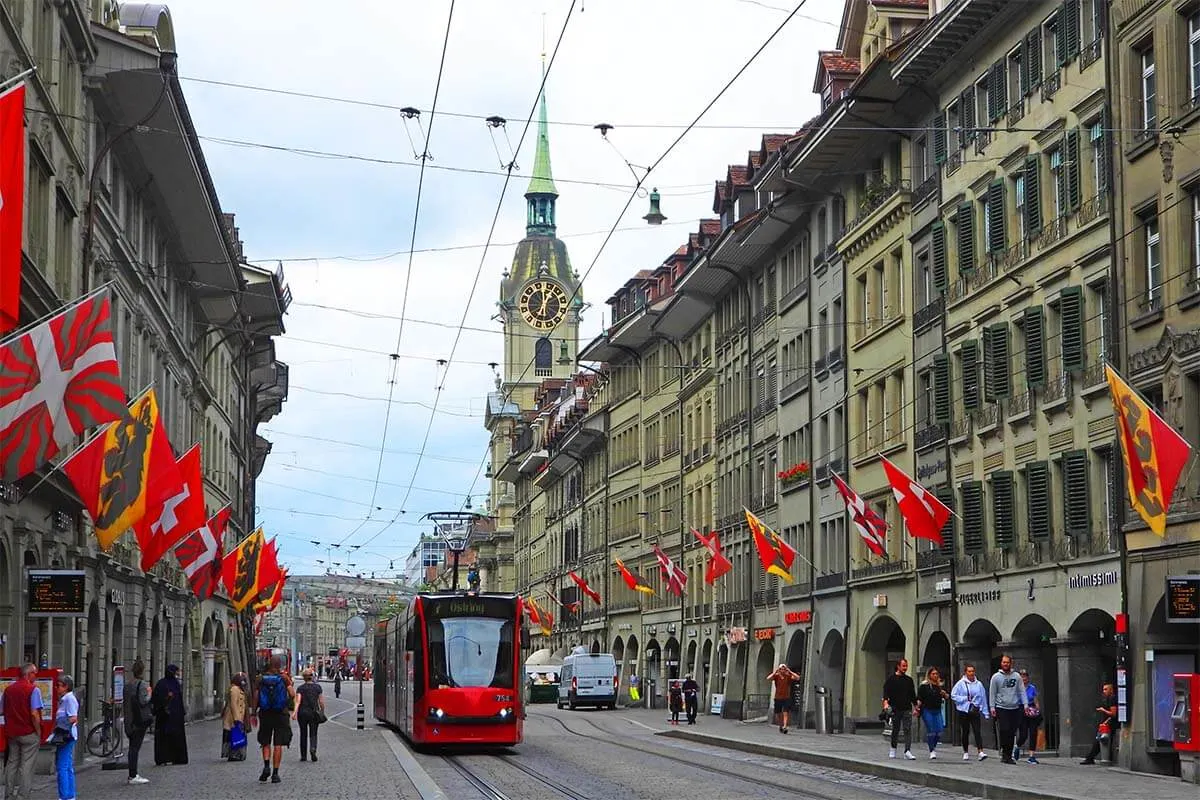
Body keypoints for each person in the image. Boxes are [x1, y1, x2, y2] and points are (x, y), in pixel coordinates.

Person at [2, 662, 44, 800]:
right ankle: (22, 796)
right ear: (28, 674)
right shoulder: (33, 690)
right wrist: (38, 732)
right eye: (34, 673)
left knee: (12, 762)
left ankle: (8, 794)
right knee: (27, 764)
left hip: (12, 733)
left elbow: (2, 710)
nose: (36, 676)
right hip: (28, 732)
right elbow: (34, 713)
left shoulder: (8, 690)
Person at [253, 656, 296, 784]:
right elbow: (293, 694)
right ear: (279, 665)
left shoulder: (260, 679)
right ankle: (276, 774)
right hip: (280, 714)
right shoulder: (283, 678)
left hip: (265, 713)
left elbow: (255, 695)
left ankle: (266, 766)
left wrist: (253, 712)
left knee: (265, 741)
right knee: (278, 744)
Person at [988, 654, 1029, 764]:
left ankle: (1008, 755)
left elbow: (1021, 691)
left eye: (1007, 662)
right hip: (1001, 707)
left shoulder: (1017, 676)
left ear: (1011, 663)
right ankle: (1004, 752)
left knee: (1012, 732)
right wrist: (992, 707)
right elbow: (992, 693)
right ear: (1001, 663)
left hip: (1014, 707)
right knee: (1004, 730)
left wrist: (1025, 705)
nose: (1006, 664)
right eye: (1004, 662)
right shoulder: (996, 677)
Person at [950, 663, 990, 761]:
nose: (971, 673)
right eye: (969, 671)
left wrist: (985, 711)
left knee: (977, 731)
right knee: (965, 731)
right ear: (965, 672)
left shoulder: (979, 684)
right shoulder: (960, 683)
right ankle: (965, 751)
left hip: (975, 709)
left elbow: (983, 697)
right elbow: (953, 695)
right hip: (963, 710)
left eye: (972, 671)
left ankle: (980, 751)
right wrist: (964, 699)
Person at [151, 664, 189, 765]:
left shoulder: (175, 684)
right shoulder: (162, 684)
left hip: (175, 717)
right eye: (177, 672)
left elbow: (179, 700)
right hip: (165, 717)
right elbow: (156, 699)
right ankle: (164, 758)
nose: (178, 674)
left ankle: (176, 758)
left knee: (173, 738)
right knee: (165, 738)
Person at [123, 659, 153, 784]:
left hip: (129, 720)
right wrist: (150, 694)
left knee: (132, 747)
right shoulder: (142, 685)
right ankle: (133, 775)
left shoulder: (127, 685)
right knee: (135, 748)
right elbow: (143, 701)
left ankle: (132, 774)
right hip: (139, 721)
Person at [882, 658, 918, 759]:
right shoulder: (891, 679)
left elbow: (912, 695)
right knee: (896, 729)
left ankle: (907, 751)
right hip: (895, 708)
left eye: (906, 666)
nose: (905, 668)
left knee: (907, 729)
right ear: (898, 666)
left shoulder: (909, 680)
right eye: (903, 666)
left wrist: (916, 706)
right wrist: (885, 703)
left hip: (907, 708)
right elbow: (886, 692)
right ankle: (893, 748)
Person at [53, 674, 79, 800]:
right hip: (68, 735)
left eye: (58, 685)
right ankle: (69, 794)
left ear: (66, 687)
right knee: (67, 766)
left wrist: (61, 725)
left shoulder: (69, 699)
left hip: (65, 735)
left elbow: (73, 717)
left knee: (62, 766)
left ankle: (64, 795)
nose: (56, 687)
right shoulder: (65, 699)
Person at [1080, 683, 1118, 765]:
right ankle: (1091, 757)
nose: (1104, 691)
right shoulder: (1108, 698)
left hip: (1109, 724)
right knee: (1100, 740)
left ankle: (1090, 758)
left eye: (1106, 689)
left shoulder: (1112, 698)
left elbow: (1113, 713)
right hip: (1106, 723)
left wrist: (1103, 710)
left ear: (1111, 690)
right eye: (1103, 689)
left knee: (1100, 740)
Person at [916, 666, 949, 759]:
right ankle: (932, 750)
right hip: (927, 710)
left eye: (936, 674)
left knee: (939, 730)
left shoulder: (939, 686)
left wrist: (944, 694)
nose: (935, 675)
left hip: (937, 710)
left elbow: (946, 696)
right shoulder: (924, 686)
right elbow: (919, 698)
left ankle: (933, 745)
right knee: (931, 730)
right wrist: (917, 708)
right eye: (933, 674)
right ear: (929, 675)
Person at [295, 668, 325, 762]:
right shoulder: (317, 687)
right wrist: (322, 711)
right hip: (313, 713)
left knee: (303, 733)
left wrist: (295, 712)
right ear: (312, 677)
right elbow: (321, 701)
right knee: (313, 732)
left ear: (304, 677)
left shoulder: (300, 688)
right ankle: (313, 749)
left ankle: (303, 755)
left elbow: (298, 701)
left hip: (302, 713)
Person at [221, 673, 251, 762]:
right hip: (233, 718)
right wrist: (237, 719)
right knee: (234, 736)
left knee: (238, 736)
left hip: (240, 717)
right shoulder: (234, 689)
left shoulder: (240, 689)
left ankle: (238, 754)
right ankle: (234, 754)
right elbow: (233, 705)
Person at [1016, 669, 1042, 764]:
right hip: (1021, 709)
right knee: (1023, 734)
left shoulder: (1032, 688)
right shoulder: (1017, 688)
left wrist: (1037, 710)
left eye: (1025, 676)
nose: (1024, 678)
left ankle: (1031, 756)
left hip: (1031, 710)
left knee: (1033, 733)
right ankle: (1017, 746)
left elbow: (1035, 700)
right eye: (1022, 676)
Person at [766, 663, 799, 734]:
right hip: (778, 697)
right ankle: (780, 725)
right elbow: (768, 678)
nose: (783, 670)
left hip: (786, 697)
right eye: (781, 669)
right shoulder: (776, 676)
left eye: (784, 669)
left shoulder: (788, 676)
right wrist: (775, 672)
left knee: (785, 712)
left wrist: (789, 671)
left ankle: (785, 726)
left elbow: (797, 677)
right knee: (778, 713)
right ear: (779, 670)